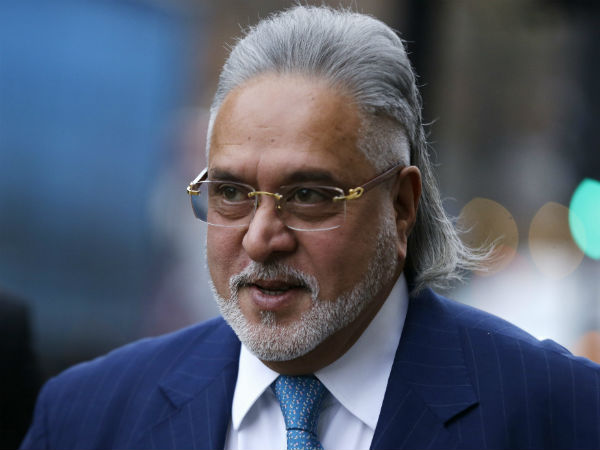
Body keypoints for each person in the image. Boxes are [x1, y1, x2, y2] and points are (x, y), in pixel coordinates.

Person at [21, 6, 600, 450]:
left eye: (308, 196)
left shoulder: (563, 415)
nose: (260, 238)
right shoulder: (85, 416)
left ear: (401, 206)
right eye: (231, 193)